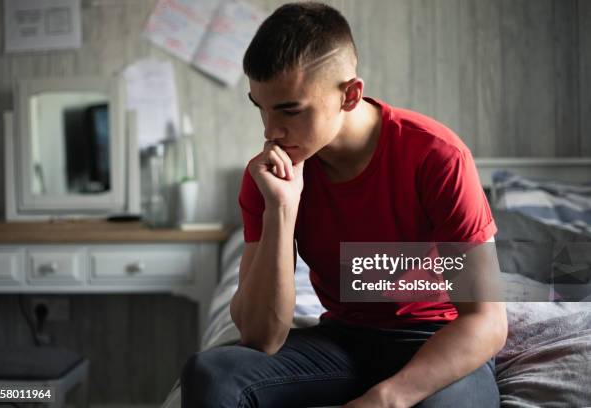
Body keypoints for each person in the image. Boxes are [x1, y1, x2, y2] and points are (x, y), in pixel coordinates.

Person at [182, 2, 507, 407]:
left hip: (436, 341)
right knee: (211, 374)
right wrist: (281, 209)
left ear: (350, 95)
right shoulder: (268, 179)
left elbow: (487, 321)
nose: (270, 131)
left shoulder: (435, 156)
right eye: (260, 107)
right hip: (344, 341)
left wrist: (387, 398)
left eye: (289, 110)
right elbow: (261, 337)